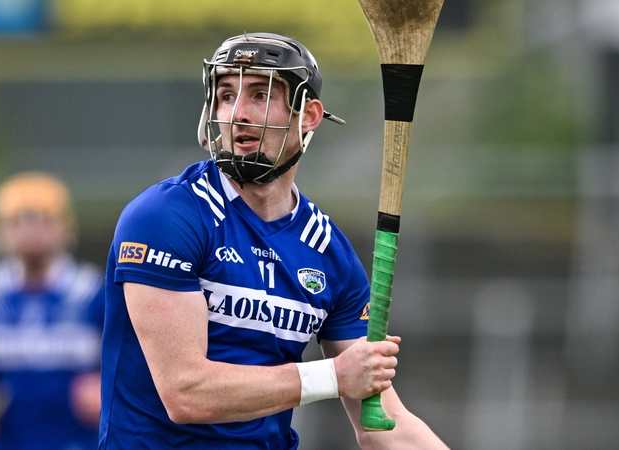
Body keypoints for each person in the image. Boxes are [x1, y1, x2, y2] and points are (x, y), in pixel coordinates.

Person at [98, 32, 447, 449]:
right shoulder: (167, 217)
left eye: (261, 95)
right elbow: (185, 392)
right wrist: (334, 376)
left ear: (309, 116)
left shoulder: (328, 252)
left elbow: (385, 426)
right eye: (226, 96)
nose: (238, 114)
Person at [0, 172, 104, 450]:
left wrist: (104, 389)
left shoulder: (92, 291)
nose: (31, 231)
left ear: (66, 227)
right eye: (18, 221)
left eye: (44, 220)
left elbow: (129, 370)